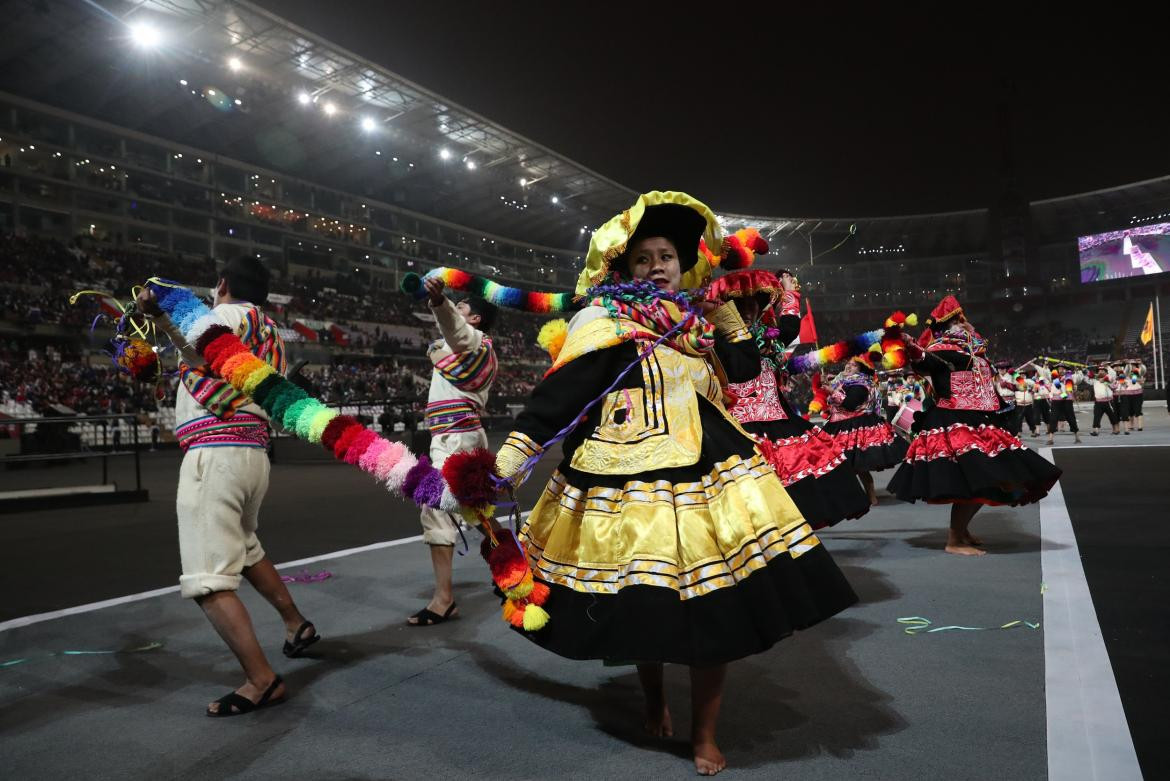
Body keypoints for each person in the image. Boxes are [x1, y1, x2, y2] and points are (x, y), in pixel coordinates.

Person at [491, 191, 856, 775]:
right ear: (623, 267)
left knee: (717, 610)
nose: (656, 264)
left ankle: (703, 732)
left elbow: (741, 371)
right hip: (628, 481)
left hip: (712, 474)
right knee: (647, 607)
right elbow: (557, 398)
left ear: (684, 263)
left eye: (667, 255)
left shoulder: (695, 321)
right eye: (643, 257)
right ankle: (655, 696)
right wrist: (504, 463)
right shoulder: (602, 321)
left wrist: (724, 315)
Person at [137, 256, 318, 716]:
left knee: (206, 579)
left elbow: (199, 346)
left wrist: (159, 313)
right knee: (246, 547)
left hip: (215, 452)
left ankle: (261, 680)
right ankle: (296, 624)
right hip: (253, 454)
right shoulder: (269, 328)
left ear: (221, 285)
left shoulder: (222, 317)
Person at [887, 296, 1062, 555]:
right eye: (958, 319)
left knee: (990, 478)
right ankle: (954, 540)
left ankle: (961, 531)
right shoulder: (944, 347)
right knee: (975, 479)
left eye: (963, 318)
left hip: (979, 418)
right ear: (949, 324)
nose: (964, 322)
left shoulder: (973, 350)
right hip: (955, 419)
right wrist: (910, 345)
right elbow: (925, 361)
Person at [708, 267, 870, 527]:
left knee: (798, 488)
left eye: (754, 304)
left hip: (778, 420)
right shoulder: (716, 339)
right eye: (741, 304)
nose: (749, 310)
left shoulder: (769, 337)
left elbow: (791, 326)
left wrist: (790, 292)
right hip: (737, 426)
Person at [407, 277, 498, 626]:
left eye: (462, 310)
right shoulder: (461, 352)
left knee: (435, 506)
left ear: (474, 319)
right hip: (454, 436)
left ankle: (443, 600)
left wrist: (440, 302)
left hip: (456, 439)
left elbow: (454, 330)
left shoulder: (473, 342)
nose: (456, 314)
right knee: (477, 511)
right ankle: (515, 570)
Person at [822, 353, 908, 505]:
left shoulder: (860, 384)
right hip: (838, 426)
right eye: (847, 363)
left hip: (854, 426)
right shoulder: (841, 382)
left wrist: (831, 391)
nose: (848, 366)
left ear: (861, 369)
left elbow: (850, 404)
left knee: (858, 466)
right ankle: (854, 497)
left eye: (854, 365)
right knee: (845, 467)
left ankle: (870, 495)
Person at [1044, 363, 1083, 445]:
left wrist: (1078, 371)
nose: (1061, 370)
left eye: (1063, 369)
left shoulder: (1070, 377)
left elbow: (1079, 379)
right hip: (1056, 400)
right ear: (1057, 370)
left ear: (1066, 370)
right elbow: (1045, 373)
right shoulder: (1053, 377)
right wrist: (1046, 366)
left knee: (1071, 418)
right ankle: (1051, 439)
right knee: (1053, 418)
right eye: (1059, 369)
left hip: (1067, 399)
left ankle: (1077, 437)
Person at [1088, 362, 1120, 436]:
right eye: (1099, 371)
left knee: (1112, 416)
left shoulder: (1110, 377)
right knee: (1096, 417)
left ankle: (1115, 429)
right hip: (1098, 402)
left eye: (1102, 371)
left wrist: (1106, 380)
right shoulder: (1094, 380)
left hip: (1109, 401)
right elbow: (1087, 379)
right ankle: (1096, 431)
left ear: (1106, 372)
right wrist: (1084, 371)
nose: (1100, 372)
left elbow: (1114, 385)